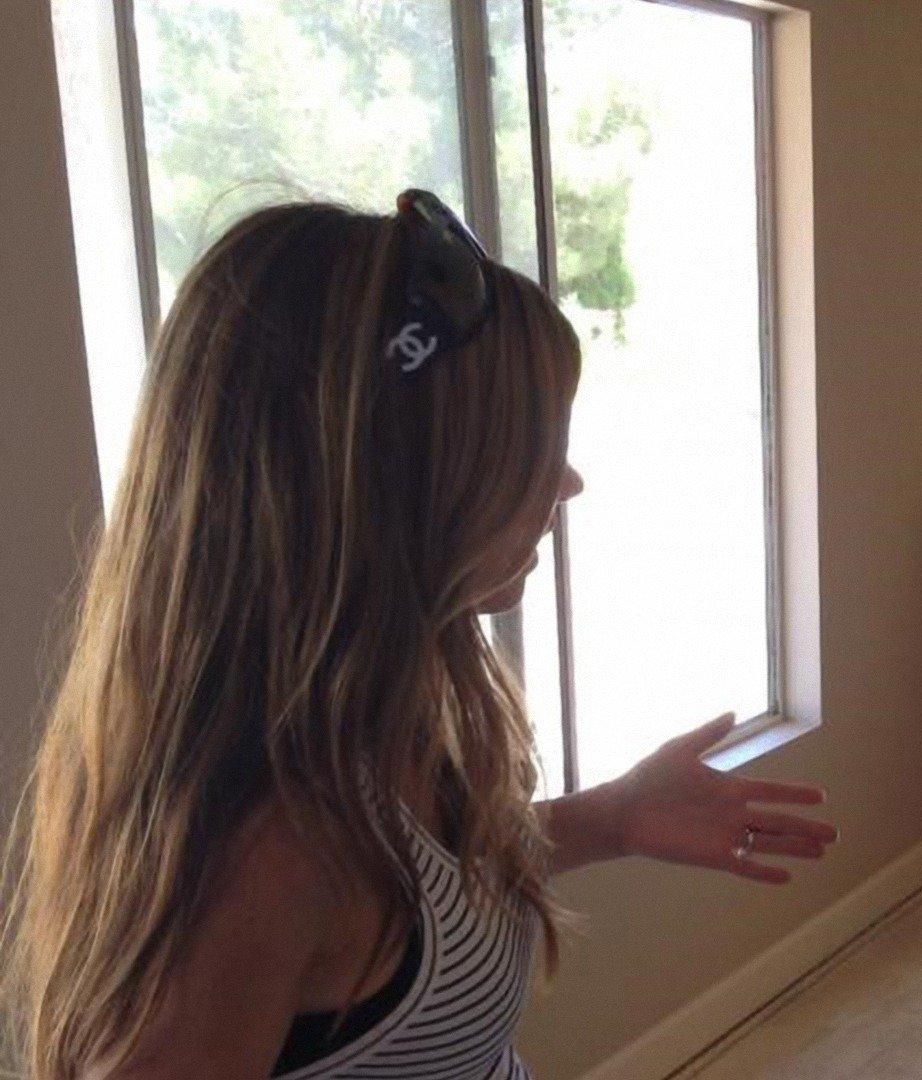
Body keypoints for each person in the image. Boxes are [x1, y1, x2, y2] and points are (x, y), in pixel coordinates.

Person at [1, 193, 837, 1080]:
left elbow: (415, 898)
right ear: (392, 480)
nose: (566, 482)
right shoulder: (264, 855)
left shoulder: (376, 710)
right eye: (526, 449)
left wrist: (610, 818)